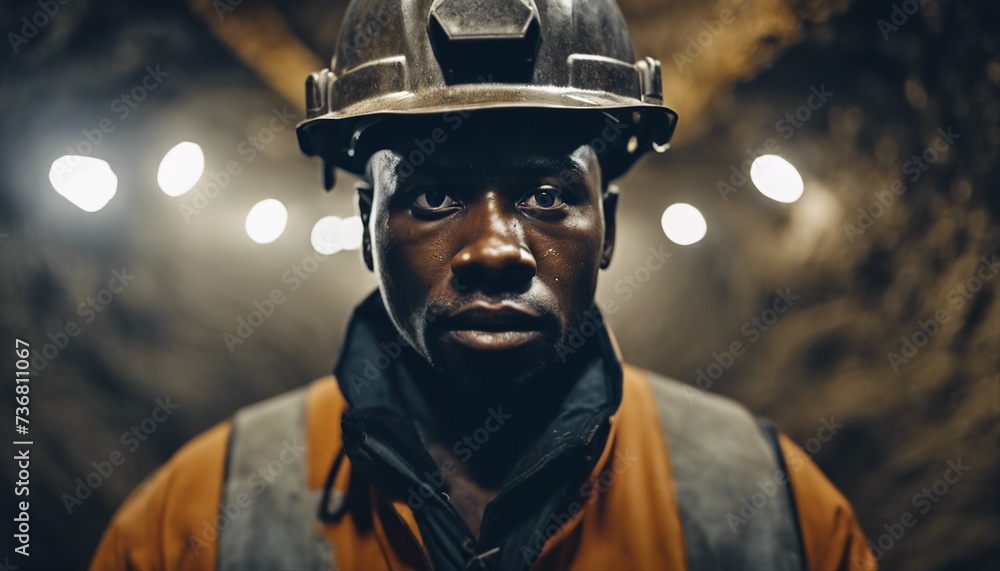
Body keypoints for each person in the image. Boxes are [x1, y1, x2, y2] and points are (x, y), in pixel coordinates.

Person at [91, 0, 877, 569]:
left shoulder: (775, 512)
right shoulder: (193, 523)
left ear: (606, 224)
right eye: (433, 196)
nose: (496, 247)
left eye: (546, 195)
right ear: (369, 224)